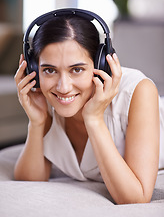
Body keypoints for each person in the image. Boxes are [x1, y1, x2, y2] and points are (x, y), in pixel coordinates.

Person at [14, 11, 164, 205]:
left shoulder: (139, 91)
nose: (63, 87)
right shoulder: (45, 96)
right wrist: (36, 122)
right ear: (33, 70)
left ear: (101, 64)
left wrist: (93, 119)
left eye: (77, 69)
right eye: (49, 70)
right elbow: (29, 181)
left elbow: (135, 197)